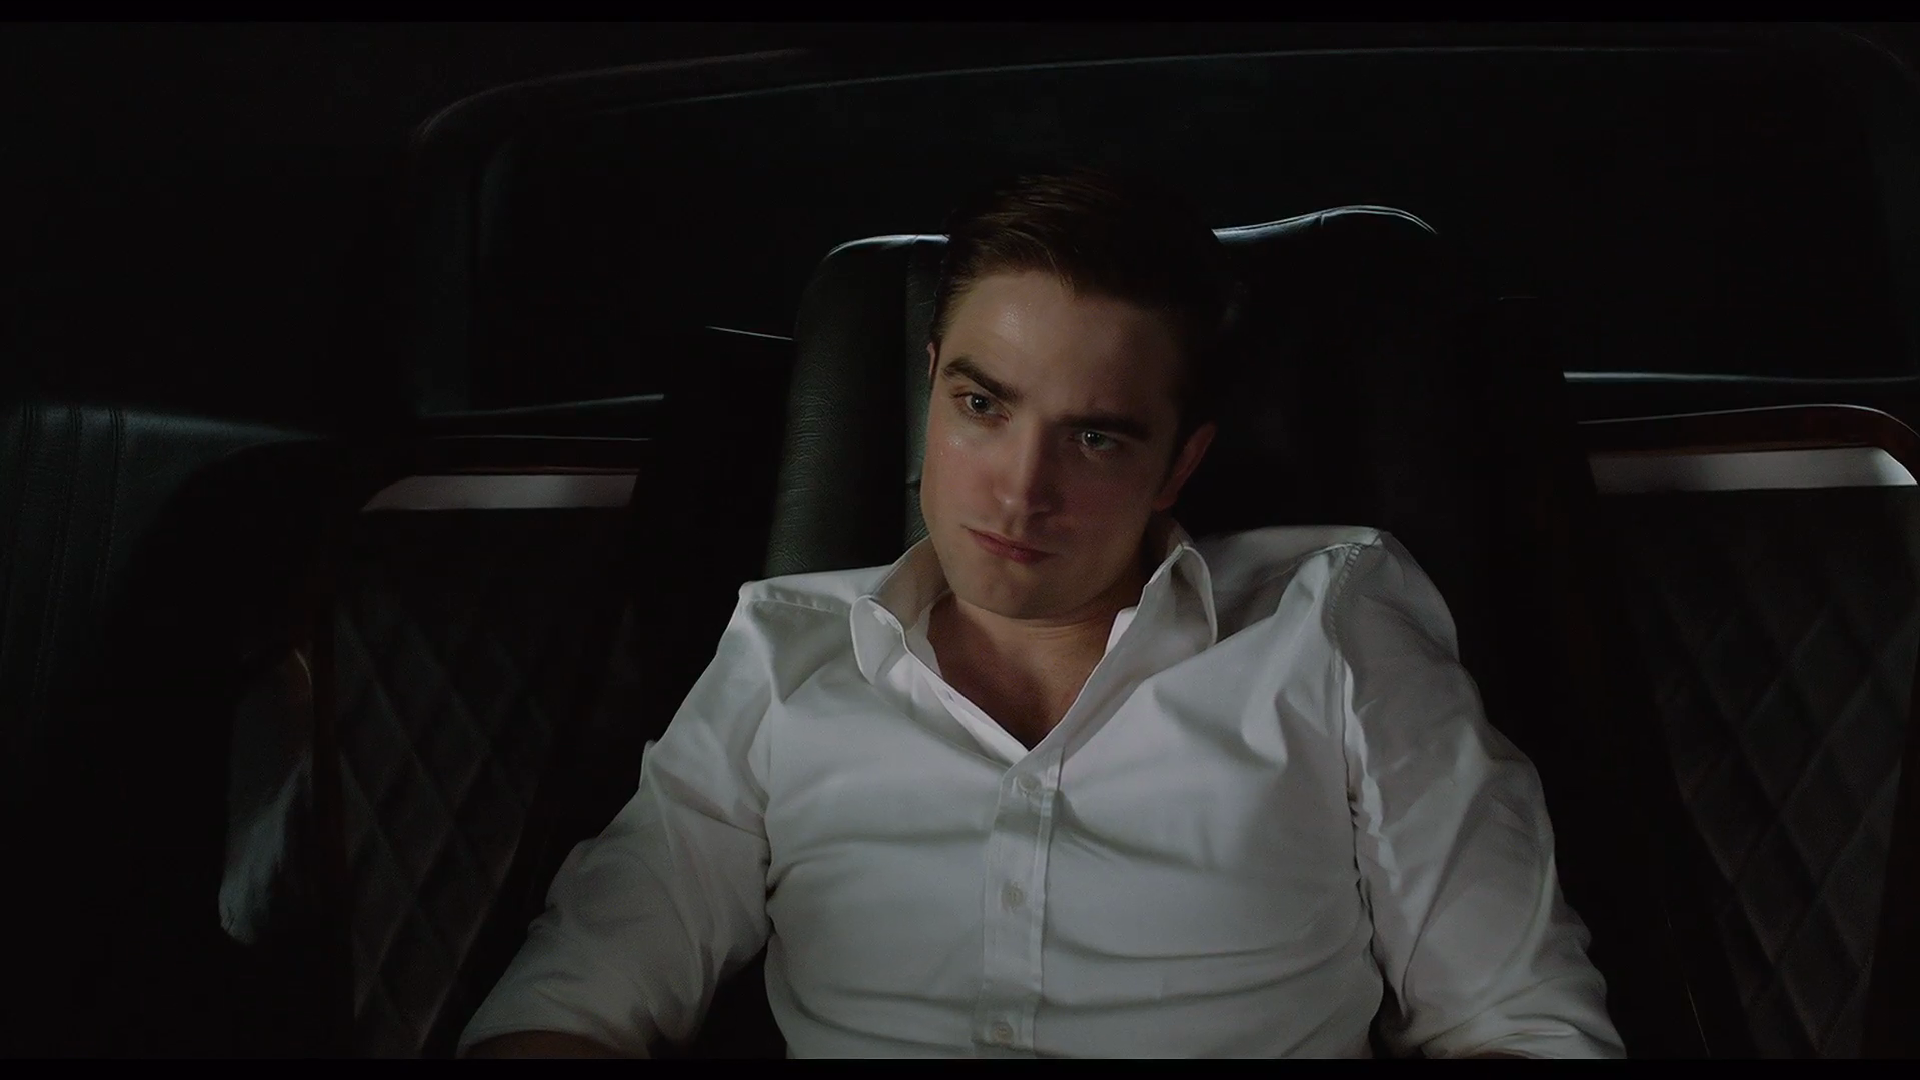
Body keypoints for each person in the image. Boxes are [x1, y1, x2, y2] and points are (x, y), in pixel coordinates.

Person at [459, 170, 1623, 1059]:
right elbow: (575, 996)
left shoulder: (1331, 625)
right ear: (930, 386)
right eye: (983, 405)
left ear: (1179, 464)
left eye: (1097, 437)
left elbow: (1520, 1021)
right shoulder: (785, 649)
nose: (1022, 491)